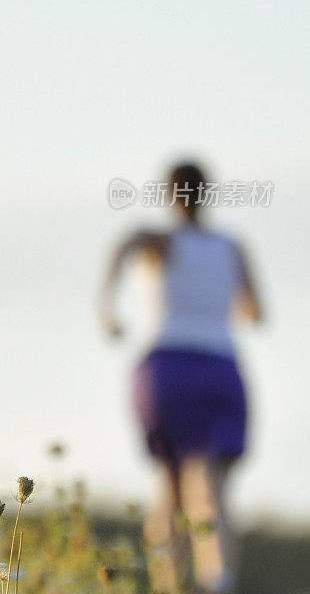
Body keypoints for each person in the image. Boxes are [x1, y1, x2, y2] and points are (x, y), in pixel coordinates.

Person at [99, 162, 262, 594]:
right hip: (218, 367)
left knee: (171, 486)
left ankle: (169, 582)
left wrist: (108, 306)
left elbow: (125, 243)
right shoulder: (231, 245)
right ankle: (218, 579)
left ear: (171, 196)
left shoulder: (161, 241)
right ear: (207, 194)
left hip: (165, 368)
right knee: (211, 485)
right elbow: (254, 312)